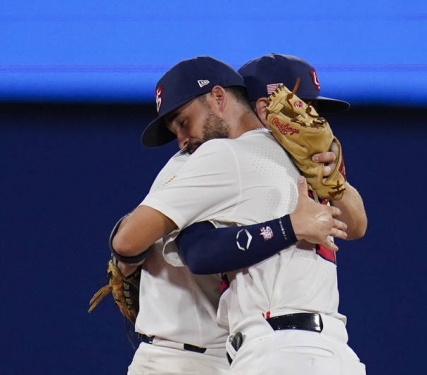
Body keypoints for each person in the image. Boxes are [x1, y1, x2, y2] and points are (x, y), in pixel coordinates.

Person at [111, 55, 366, 374]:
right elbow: (181, 248)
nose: (309, 120)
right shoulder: (236, 156)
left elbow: (356, 226)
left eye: (312, 110)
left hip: (277, 351)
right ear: (263, 107)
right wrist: (293, 223)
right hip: (278, 351)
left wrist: (332, 186)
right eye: (300, 106)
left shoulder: (302, 162)